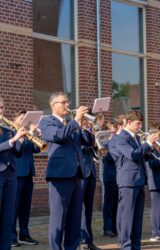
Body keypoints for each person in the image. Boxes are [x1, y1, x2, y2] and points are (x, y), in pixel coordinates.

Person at [39, 92, 93, 250]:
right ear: (53, 105)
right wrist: (76, 120)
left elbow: (88, 143)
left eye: (68, 102)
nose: (67, 105)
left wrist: (88, 128)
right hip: (60, 175)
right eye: (64, 102)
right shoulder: (46, 122)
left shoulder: (72, 123)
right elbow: (58, 136)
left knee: (75, 218)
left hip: (77, 174)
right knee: (58, 217)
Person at [115, 111, 156, 250]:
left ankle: (135, 244)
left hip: (138, 180)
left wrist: (151, 149)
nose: (140, 126)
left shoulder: (137, 138)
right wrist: (147, 144)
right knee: (128, 215)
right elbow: (132, 155)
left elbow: (141, 156)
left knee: (138, 216)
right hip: (128, 181)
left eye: (140, 123)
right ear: (128, 122)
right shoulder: (121, 137)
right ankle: (126, 245)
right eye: (137, 123)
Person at [0, 97, 26, 249]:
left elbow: (17, 152)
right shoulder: (10, 133)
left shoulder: (7, 129)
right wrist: (13, 139)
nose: (1, 110)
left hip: (10, 174)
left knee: (7, 217)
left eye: (2, 107)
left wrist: (21, 139)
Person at [11, 110, 40, 247]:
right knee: (13, 207)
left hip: (28, 173)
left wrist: (36, 135)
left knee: (25, 207)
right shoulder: (11, 132)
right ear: (15, 119)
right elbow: (17, 149)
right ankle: (11, 236)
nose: (23, 120)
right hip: (16, 173)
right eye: (21, 118)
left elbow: (36, 149)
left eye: (25, 118)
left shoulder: (27, 133)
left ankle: (24, 234)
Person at [80, 119, 101, 250]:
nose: (89, 124)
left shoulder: (89, 133)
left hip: (91, 171)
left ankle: (88, 240)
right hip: (81, 172)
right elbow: (79, 147)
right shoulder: (76, 131)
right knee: (79, 208)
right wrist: (90, 140)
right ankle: (82, 240)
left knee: (88, 209)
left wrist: (96, 142)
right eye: (86, 121)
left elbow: (96, 152)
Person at [146, 124, 160, 242]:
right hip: (154, 181)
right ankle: (156, 233)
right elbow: (151, 164)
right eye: (159, 136)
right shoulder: (149, 149)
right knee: (156, 209)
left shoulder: (159, 148)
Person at [102, 119, 121, 238]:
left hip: (119, 176)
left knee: (117, 204)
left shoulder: (118, 142)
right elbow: (107, 158)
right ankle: (107, 228)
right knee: (108, 203)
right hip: (110, 176)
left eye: (115, 132)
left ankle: (115, 227)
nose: (114, 135)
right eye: (112, 132)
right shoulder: (104, 144)